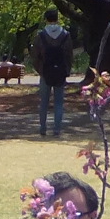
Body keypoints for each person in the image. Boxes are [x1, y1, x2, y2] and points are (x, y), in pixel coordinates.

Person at [33, 7, 74, 137]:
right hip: (60, 71)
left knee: (44, 102)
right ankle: (57, 129)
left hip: (45, 71)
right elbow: (69, 55)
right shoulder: (65, 35)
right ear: (57, 18)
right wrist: (67, 70)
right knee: (59, 102)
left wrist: (39, 69)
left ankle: (43, 127)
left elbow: (35, 55)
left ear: (46, 19)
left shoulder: (41, 35)